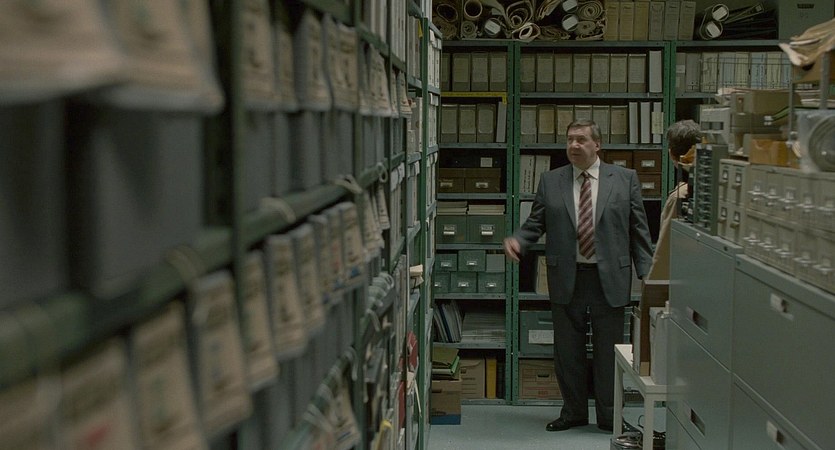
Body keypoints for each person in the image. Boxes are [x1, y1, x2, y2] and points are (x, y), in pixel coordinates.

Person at [503, 119, 653, 432]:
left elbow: (639, 230)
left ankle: (610, 418)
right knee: (567, 352)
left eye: (581, 139)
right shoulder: (551, 180)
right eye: (570, 139)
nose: (574, 145)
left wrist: (648, 275)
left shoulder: (624, 179)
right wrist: (519, 240)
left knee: (609, 353)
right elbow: (536, 222)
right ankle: (573, 412)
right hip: (567, 276)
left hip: (608, 278)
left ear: (597, 145)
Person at [645, 120, 701, 281]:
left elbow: (665, 251)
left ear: (670, 153)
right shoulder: (708, 188)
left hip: (685, 277)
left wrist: (652, 289)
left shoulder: (679, 197)